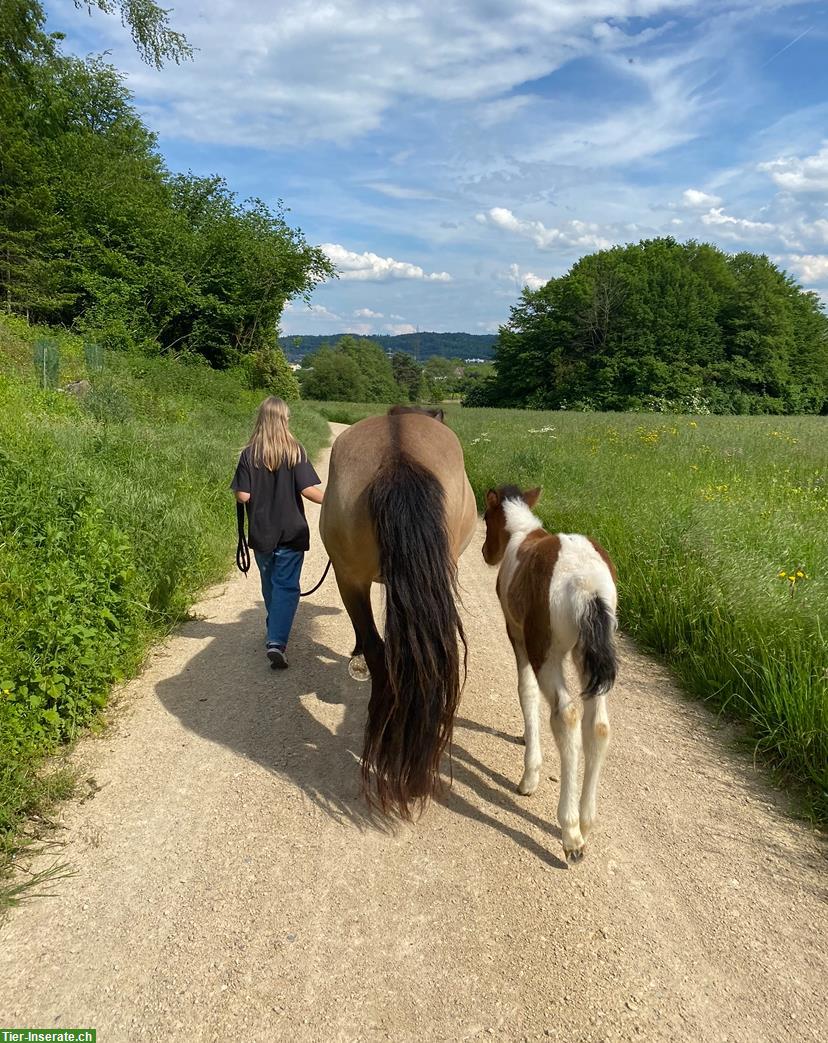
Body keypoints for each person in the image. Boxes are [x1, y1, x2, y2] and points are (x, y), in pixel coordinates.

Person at [231, 397, 323, 669]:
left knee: (270, 584)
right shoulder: (295, 451)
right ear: (284, 420)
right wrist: (338, 501)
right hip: (291, 532)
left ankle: (274, 630)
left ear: (261, 420)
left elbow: (243, 495)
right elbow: (309, 491)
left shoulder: (248, 455)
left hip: (261, 533)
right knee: (286, 586)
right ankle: (277, 641)